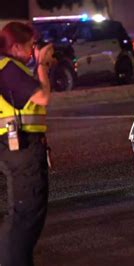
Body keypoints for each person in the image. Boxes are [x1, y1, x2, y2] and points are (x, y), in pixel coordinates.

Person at [0, 22, 55, 266]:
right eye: (31, 46)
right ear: (15, 46)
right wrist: (42, 64)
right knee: (25, 215)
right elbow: (42, 97)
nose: (34, 50)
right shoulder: (8, 68)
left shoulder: (11, 68)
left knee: (23, 215)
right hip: (20, 149)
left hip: (16, 147)